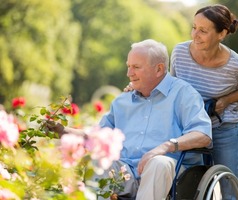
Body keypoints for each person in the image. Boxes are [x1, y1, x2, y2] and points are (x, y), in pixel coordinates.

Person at [51, 39, 212, 199]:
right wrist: (64, 130)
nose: (129, 73)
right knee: (96, 161)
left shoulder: (183, 94)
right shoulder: (122, 101)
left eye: (136, 67)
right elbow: (98, 137)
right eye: (128, 66)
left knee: (159, 163)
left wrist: (164, 147)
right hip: (126, 173)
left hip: (169, 176)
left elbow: (203, 135)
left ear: (159, 69)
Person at [170, 4, 238, 199]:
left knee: (228, 187)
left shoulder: (235, 64)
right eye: (194, 27)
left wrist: (227, 100)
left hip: (224, 128)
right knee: (191, 184)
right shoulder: (180, 53)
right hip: (191, 129)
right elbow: (172, 88)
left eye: (203, 31)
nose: (195, 34)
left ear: (221, 34)